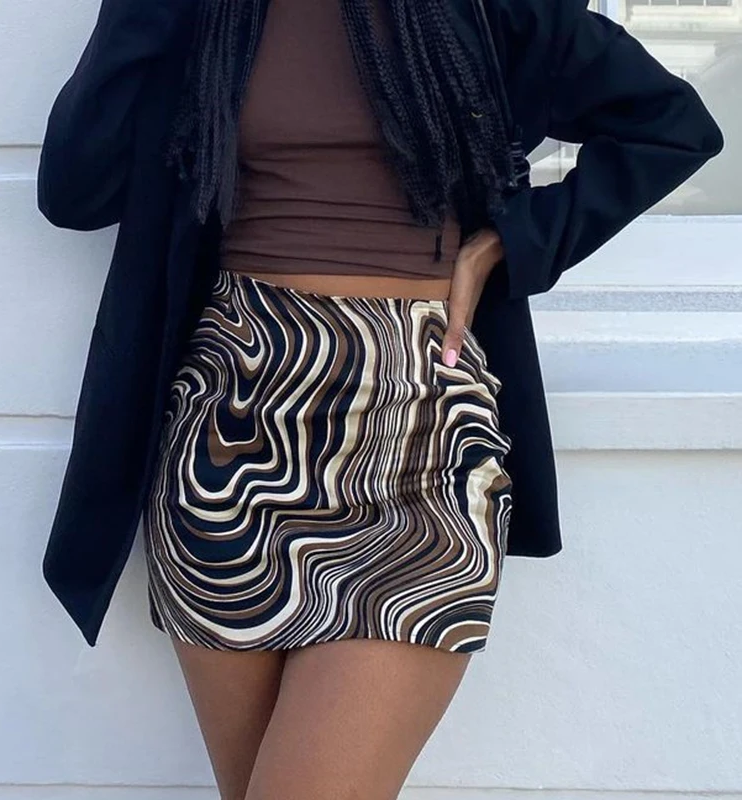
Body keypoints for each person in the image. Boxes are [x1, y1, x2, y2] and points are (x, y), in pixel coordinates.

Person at [36, 0, 723, 797]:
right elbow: (74, 192)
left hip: (419, 438)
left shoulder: (481, 8)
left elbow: (671, 124)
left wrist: (513, 243)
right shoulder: (208, 12)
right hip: (230, 440)